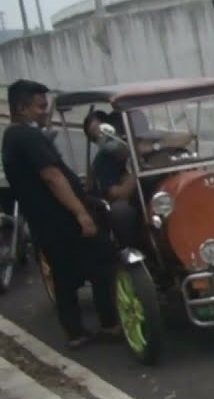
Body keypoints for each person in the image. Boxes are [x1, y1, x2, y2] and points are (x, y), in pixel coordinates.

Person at [2, 79, 120, 348]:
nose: (46, 112)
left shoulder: (13, 138)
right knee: (103, 261)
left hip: (44, 222)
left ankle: (75, 333)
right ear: (21, 109)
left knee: (63, 278)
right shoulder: (26, 137)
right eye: (40, 107)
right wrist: (81, 213)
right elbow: (52, 176)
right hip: (61, 219)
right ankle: (109, 324)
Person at [82, 110, 143, 249]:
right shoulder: (102, 162)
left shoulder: (138, 143)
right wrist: (138, 170)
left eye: (104, 131)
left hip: (156, 197)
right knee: (121, 212)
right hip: (127, 204)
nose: (102, 137)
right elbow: (118, 194)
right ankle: (130, 251)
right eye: (96, 137)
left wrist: (156, 146)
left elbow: (183, 138)